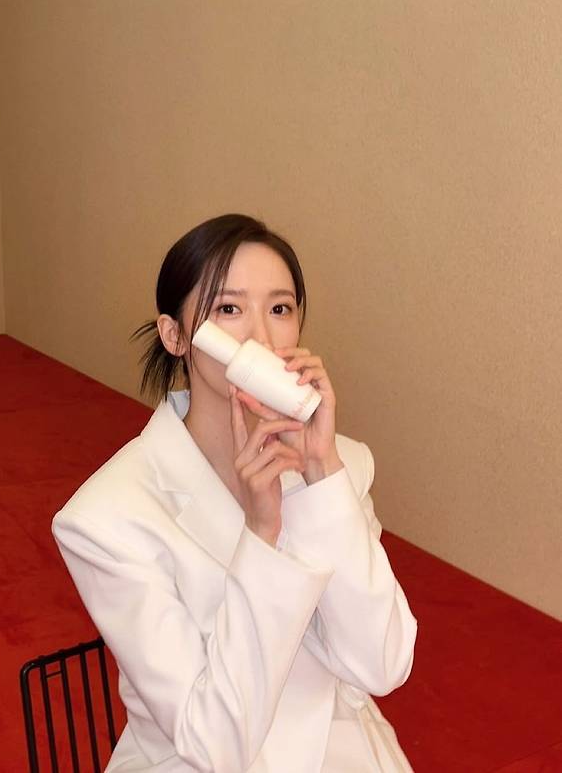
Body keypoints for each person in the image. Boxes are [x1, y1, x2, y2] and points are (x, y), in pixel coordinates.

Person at [52, 213, 418, 772]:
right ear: (175, 335)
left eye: (280, 309)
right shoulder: (105, 517)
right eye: (228, 309)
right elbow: (215, 744)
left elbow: (382, 665)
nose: (261, 338)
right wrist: (261, 534)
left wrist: (322, 474)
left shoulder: (340, 465)